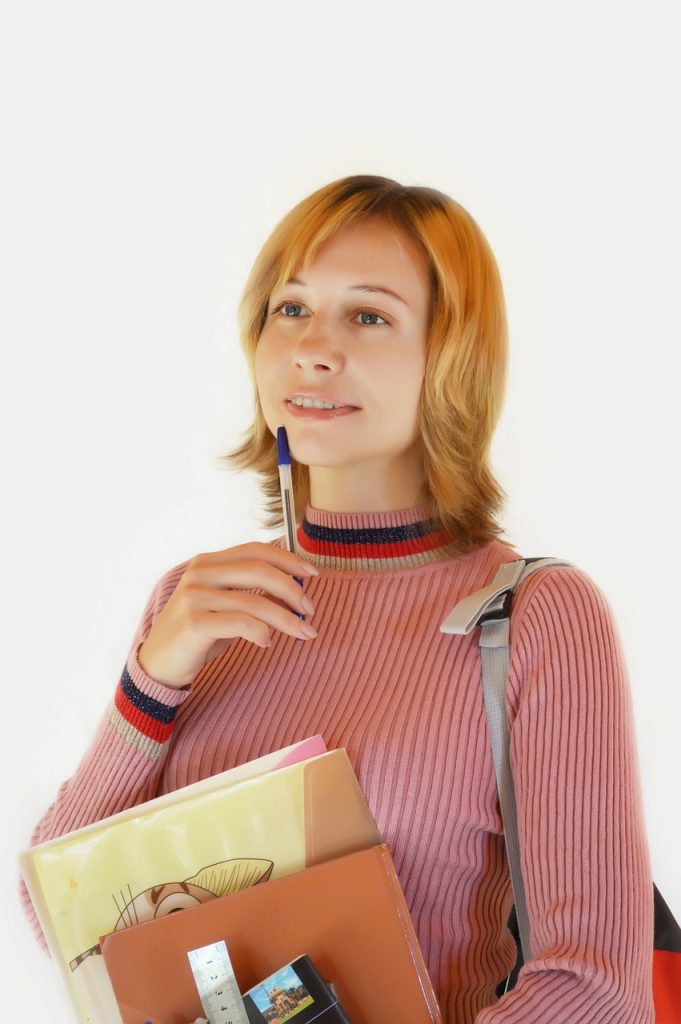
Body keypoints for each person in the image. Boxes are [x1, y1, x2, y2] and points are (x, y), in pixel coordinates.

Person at [19, 174, 655, 1023]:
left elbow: (594, 993)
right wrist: (153, 677)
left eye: (368, 315)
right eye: (289, 309)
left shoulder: (534, 616)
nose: (311, 348)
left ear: (451, 354)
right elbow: (66, 925)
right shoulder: (194, 604)